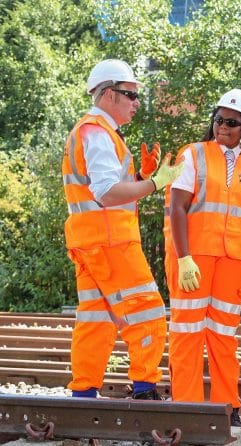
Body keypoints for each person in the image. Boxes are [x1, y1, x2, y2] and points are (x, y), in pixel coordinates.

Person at [62, 59, 182, 400]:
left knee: (96, 322)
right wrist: (156, 184)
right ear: (108, 94)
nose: (136, 102)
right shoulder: (98, 134)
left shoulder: (88, 131)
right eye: (130, 94)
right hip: (110, 242)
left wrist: (141, 178)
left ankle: (83, 395)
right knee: (148, 311)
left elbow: (101, 188)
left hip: (89, 241)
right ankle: (144, 389)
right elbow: (106, 193)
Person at [165, 89, 241, 426]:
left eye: (232, 122)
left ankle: (228, 408)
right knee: (188, 333)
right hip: (194, 259)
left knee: (224, 336)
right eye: (219, 119)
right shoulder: (193, 155)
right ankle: (188, 408)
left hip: (233, 263)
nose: (223, 126)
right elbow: (177, 207)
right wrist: (184, 258)